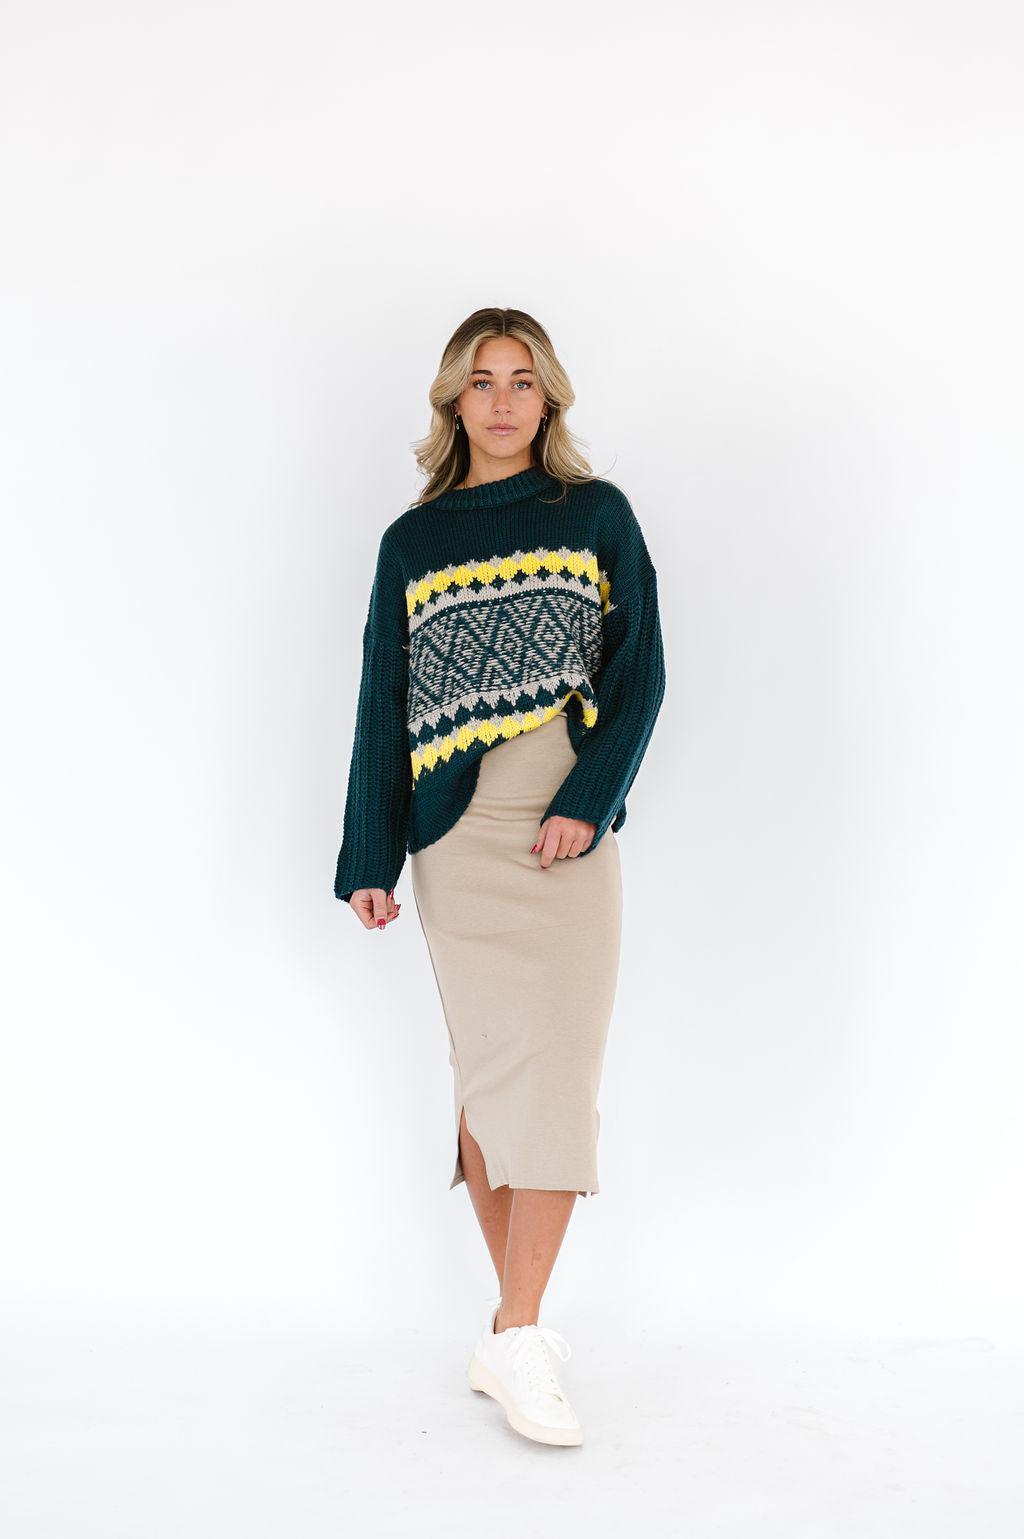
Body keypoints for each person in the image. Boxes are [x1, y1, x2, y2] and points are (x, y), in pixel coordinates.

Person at [333, 307, 666, 1445]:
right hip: (458, 839)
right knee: (486, 1079)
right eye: (483, 381)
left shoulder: (596, 516)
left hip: (563, 820)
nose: (504, 400)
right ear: (453, 401)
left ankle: (513, 1329)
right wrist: (370, 852)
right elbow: (382, 699)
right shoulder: (411, 544)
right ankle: (518, 1335)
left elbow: (640, 671)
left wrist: (587, 801)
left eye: (523, 379)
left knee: (558, 1074)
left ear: (549, 395)